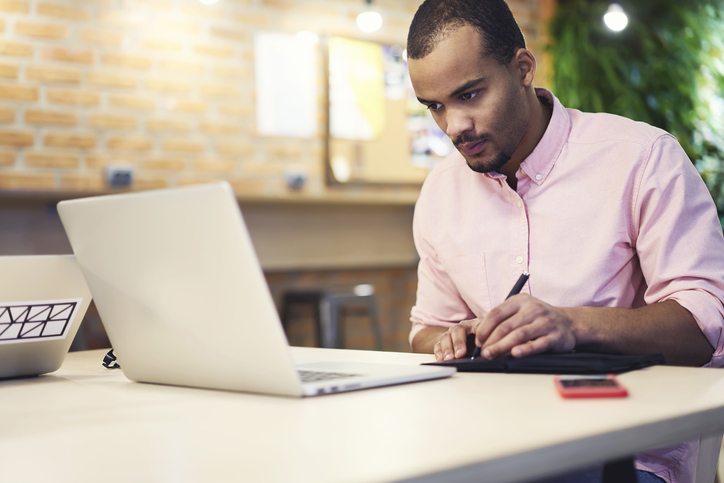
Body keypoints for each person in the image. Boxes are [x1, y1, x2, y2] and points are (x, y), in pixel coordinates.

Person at [405, 1, 724, 482]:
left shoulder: (641, 159)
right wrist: (456, 337)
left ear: (523, 69)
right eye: (435, 106)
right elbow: (426, 330)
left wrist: (571, 326)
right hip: (488, 444)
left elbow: (704, 326)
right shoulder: (441, 191)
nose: (453, 127)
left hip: (625, 451)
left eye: (469, 95)